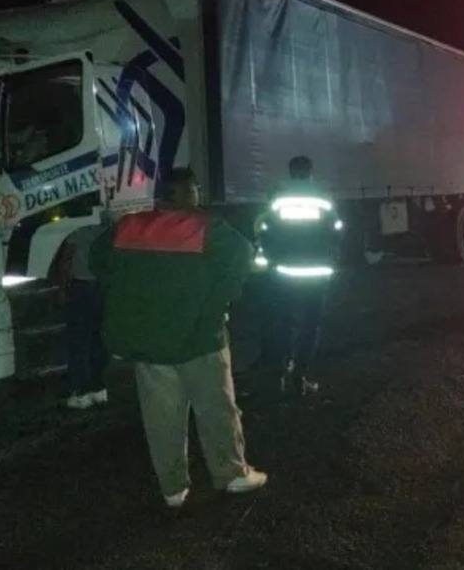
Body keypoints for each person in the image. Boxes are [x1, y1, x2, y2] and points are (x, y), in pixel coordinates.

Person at [90, 167, 267, 508]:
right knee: (216, 408)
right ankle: (231, 475)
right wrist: (219, 298)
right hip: (199, 338)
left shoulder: (128, 226)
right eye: (195, 188)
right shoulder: (208, 228)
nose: (198, 193)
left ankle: (173, 489)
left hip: (146, 341)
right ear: (186, 193)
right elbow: (243, 261)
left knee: (160, 416)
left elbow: (99, 260)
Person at [255, 156, 343, 397]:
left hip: (285, 271)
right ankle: (301, 376)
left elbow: (266, 231)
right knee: (310, 325)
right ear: (310, 171)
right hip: (317, 272)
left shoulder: (279, 199)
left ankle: (283, 368)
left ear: (291, 172)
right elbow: (336, 231)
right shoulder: (323, 197)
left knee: (284, 321)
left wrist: (272, 259)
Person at [56, 219, 109, 409]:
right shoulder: (108, 228)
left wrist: (62, 288)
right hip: (103, 288)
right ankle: (98, 388)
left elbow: (67, 259)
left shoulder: (78, 229)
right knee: (98, 339)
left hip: (81, 287)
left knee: (78, 341)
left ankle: (80, 392)